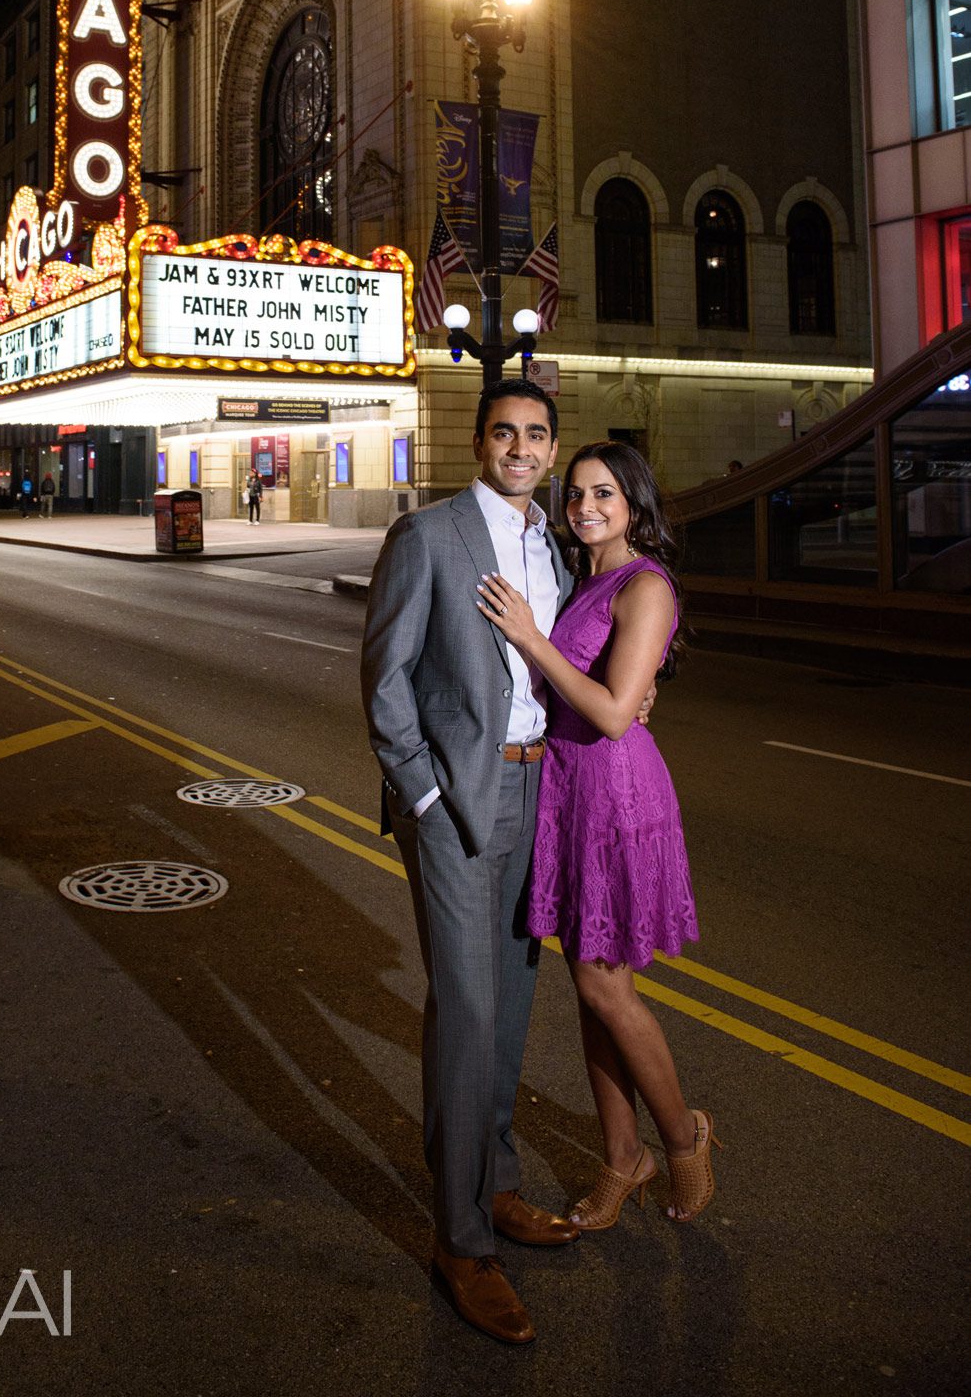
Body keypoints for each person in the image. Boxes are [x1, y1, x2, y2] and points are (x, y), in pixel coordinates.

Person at [361, 380, 582, 1347]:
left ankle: (494, 1190)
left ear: (551, 446)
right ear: (480, 441)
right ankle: (459, 1244)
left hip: (538, 790)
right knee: (467, 1007)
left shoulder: (552, 546)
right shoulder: (430, 535)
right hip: (459, 796)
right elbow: (385, 676)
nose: (520, 448)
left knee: (513, 1000)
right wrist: (421, 792)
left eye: (536, 435)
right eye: (505, 432)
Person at [475, 440, 719, 1235]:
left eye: (603, 494)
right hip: (569, 794)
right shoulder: (584, 575)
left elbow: (614, 711)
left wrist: (529, 639)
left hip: (615, 801)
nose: (584, 507)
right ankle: (622, 1157)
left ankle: (682, 1139)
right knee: (590, 994)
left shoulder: (644, 584)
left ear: (634, 503)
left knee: (605, 987)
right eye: (575, 493)